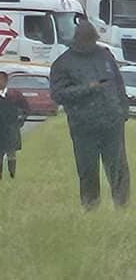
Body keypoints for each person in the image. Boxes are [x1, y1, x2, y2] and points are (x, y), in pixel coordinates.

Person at [50, 19, 130, 210]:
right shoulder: (63, 63)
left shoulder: (104, 55)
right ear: (77, 40)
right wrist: (87, 88)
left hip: (112, 121)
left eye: (93, 41)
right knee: (88, 170)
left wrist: (123, 110)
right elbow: (58, 95)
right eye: (88, 41)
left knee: (118, 167)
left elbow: (118, 84)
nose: (91, 45)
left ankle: (122, 206)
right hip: (83, 126)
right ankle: (90, 207)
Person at [0, 72, 29, 180]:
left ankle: (12, 175)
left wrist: (21, 120)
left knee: (11, 152)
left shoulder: (14, 95)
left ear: (5, 81)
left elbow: (26, 108)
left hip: (10, 127)